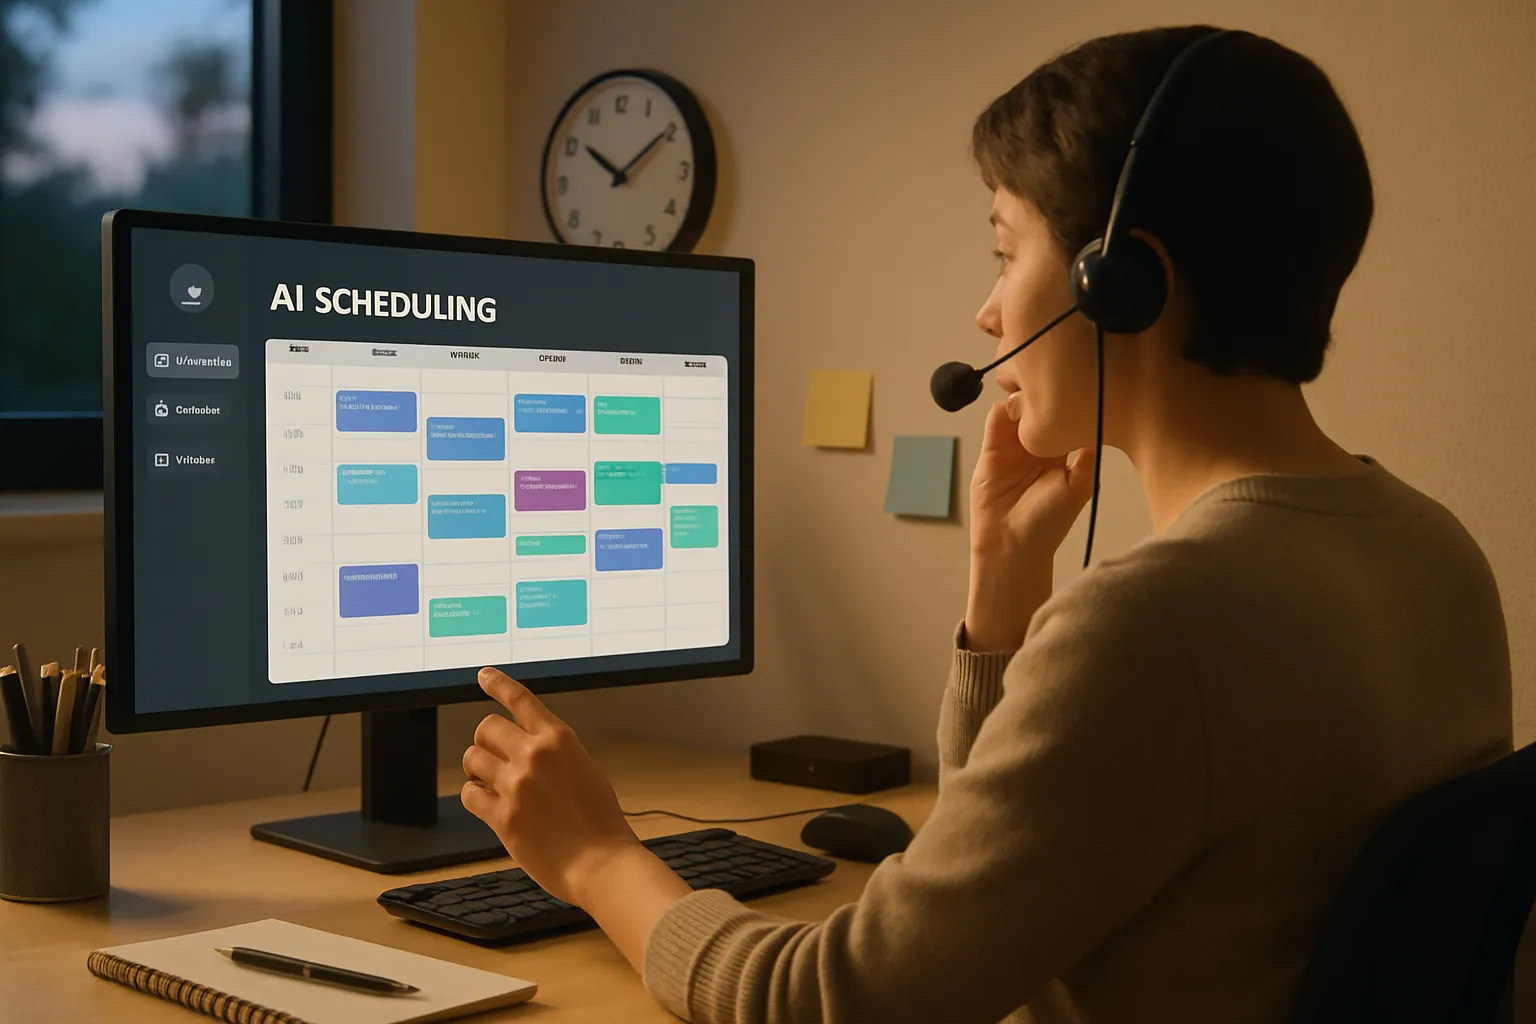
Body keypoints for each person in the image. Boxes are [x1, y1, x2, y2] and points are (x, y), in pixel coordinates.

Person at [457, 24, 1513, 1024]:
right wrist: (1004, 588)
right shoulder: (1435, 551)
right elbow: (989, 889)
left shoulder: (1156, 627)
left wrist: (597, 856)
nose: (988, 311)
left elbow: (835, 1001)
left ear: (1121, 284)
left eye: (1006, 251)